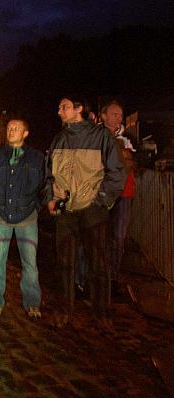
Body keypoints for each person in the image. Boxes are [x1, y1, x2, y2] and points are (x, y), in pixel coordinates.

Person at [46, 96, 125, 330]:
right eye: (60, 106)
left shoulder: (101, 137)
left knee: (99, 264)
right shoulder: (59, 139)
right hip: (65, 209)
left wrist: (100, 201)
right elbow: (48, 172)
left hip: (93, 210)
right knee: (64, 264)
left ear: (79, 109)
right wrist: (50, 197)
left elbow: (116, 173)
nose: (59, 110)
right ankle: (64, 310)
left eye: (65, 107)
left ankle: (102, 313)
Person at [0, 119, 45, 318]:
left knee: (30, 264)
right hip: (1, 218)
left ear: (25, 133)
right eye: (9, 128)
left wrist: (37, 207)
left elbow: (45, 184)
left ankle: (32, 303)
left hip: (28, 219)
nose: (11, 131)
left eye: (16, 129)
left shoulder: (36, 158)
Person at [99, 101, 136, 295]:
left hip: (124, 194)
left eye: (120, 115)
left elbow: (130, 162)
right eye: (114, 114)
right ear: (103, 115)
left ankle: (112, 278)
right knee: (100, 237)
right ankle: (99, 277)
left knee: (118, 238)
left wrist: (123, 156)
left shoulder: (127, 137)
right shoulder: (96, 137)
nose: (118, 118)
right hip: (103, 194)